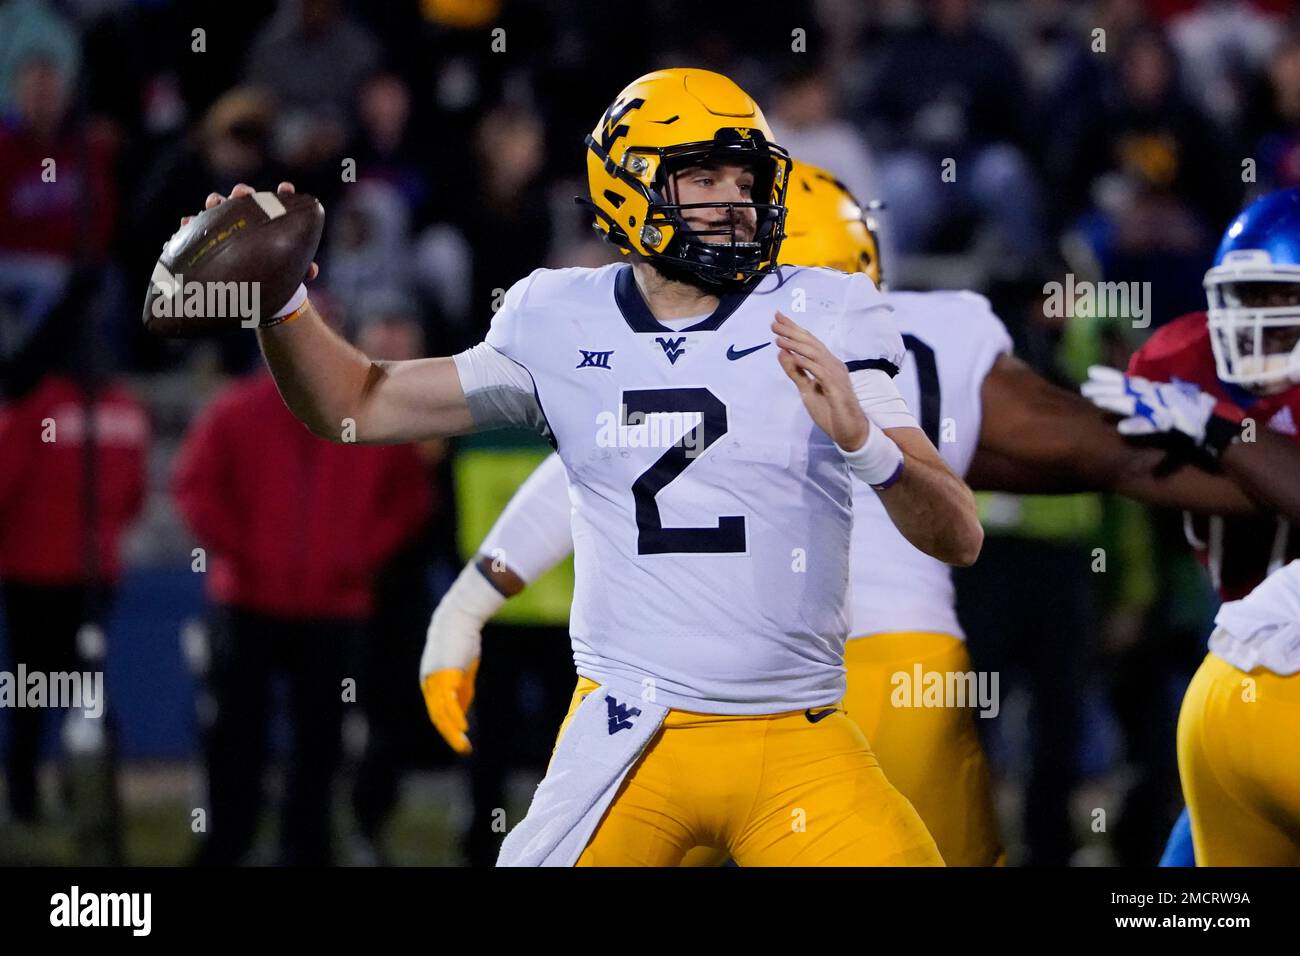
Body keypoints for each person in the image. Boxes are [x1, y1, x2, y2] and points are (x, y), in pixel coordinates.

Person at [184, 68, 986, 866]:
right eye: (704, 176)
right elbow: (357, 403)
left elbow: (958, 533)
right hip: (628, 732)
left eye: (746, 177)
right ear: (631, 186)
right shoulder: (558, 316)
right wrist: (281, 304)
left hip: (797, 731)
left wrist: (867, 446)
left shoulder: (828, 307)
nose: (736, 200)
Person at [420, 163, 1300, 867]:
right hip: (878, 675)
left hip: (689, 697)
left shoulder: (677, 342)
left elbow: (590, 472)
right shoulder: (931, 330)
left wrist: (467, 602)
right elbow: (1105, 453)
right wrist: (1241, 450)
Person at [1083, 187, 1300, 864]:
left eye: (1277, 301)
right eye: (1246, 298)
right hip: (1242, 662)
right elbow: (1130, 468)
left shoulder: (1199, 402)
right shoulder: (1186, 363)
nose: (1256, 322)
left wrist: (1216, 429)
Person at [172, 356, 431, 866]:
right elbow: (195, 488)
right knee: (236, 733)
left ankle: (306, 844)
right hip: (249, 602)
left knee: (321, 736)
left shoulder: (368, 411)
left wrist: (361, 554)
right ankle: (230, 838)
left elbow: (411, 497)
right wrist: (242, 552)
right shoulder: (236, 411)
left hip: (332, 606)